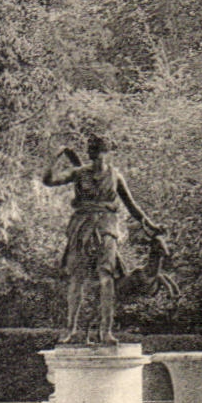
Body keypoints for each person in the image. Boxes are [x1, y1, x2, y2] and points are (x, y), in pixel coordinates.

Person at [42, 135, 163, 345]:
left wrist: (151, 226)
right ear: (90, 154)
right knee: (76, 277)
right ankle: (70, 328)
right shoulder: (79, 172)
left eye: (101, 153)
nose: (98, 158)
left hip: (107, 226)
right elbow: (49, 180)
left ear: (108, 154)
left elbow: (132, 206)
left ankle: (105, 331)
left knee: (106, 277)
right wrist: (57, 155)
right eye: (94, 153)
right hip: (81, 227)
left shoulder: (115, 176)